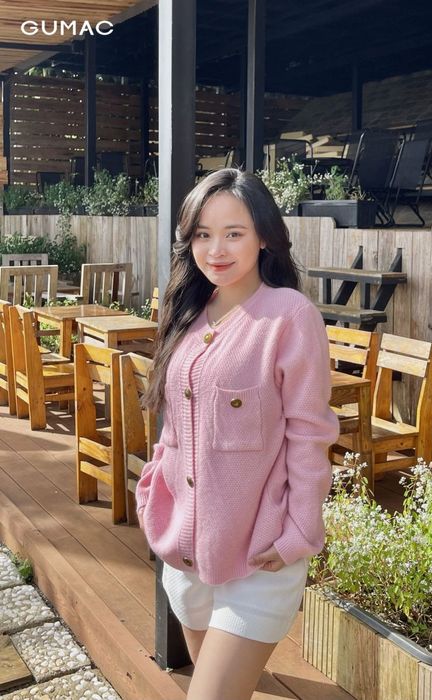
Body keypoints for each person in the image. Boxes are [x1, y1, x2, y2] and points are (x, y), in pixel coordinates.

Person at [136, 168, 339, 700]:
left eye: (234, 233)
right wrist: (152, 488)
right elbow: (174, 425)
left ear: (264, 236)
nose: (216, 249)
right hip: (186, 554)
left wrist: (299, 532)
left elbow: (309, 435)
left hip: (259, 556)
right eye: (203, 234)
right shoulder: (188, 313)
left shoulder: (289, 317)